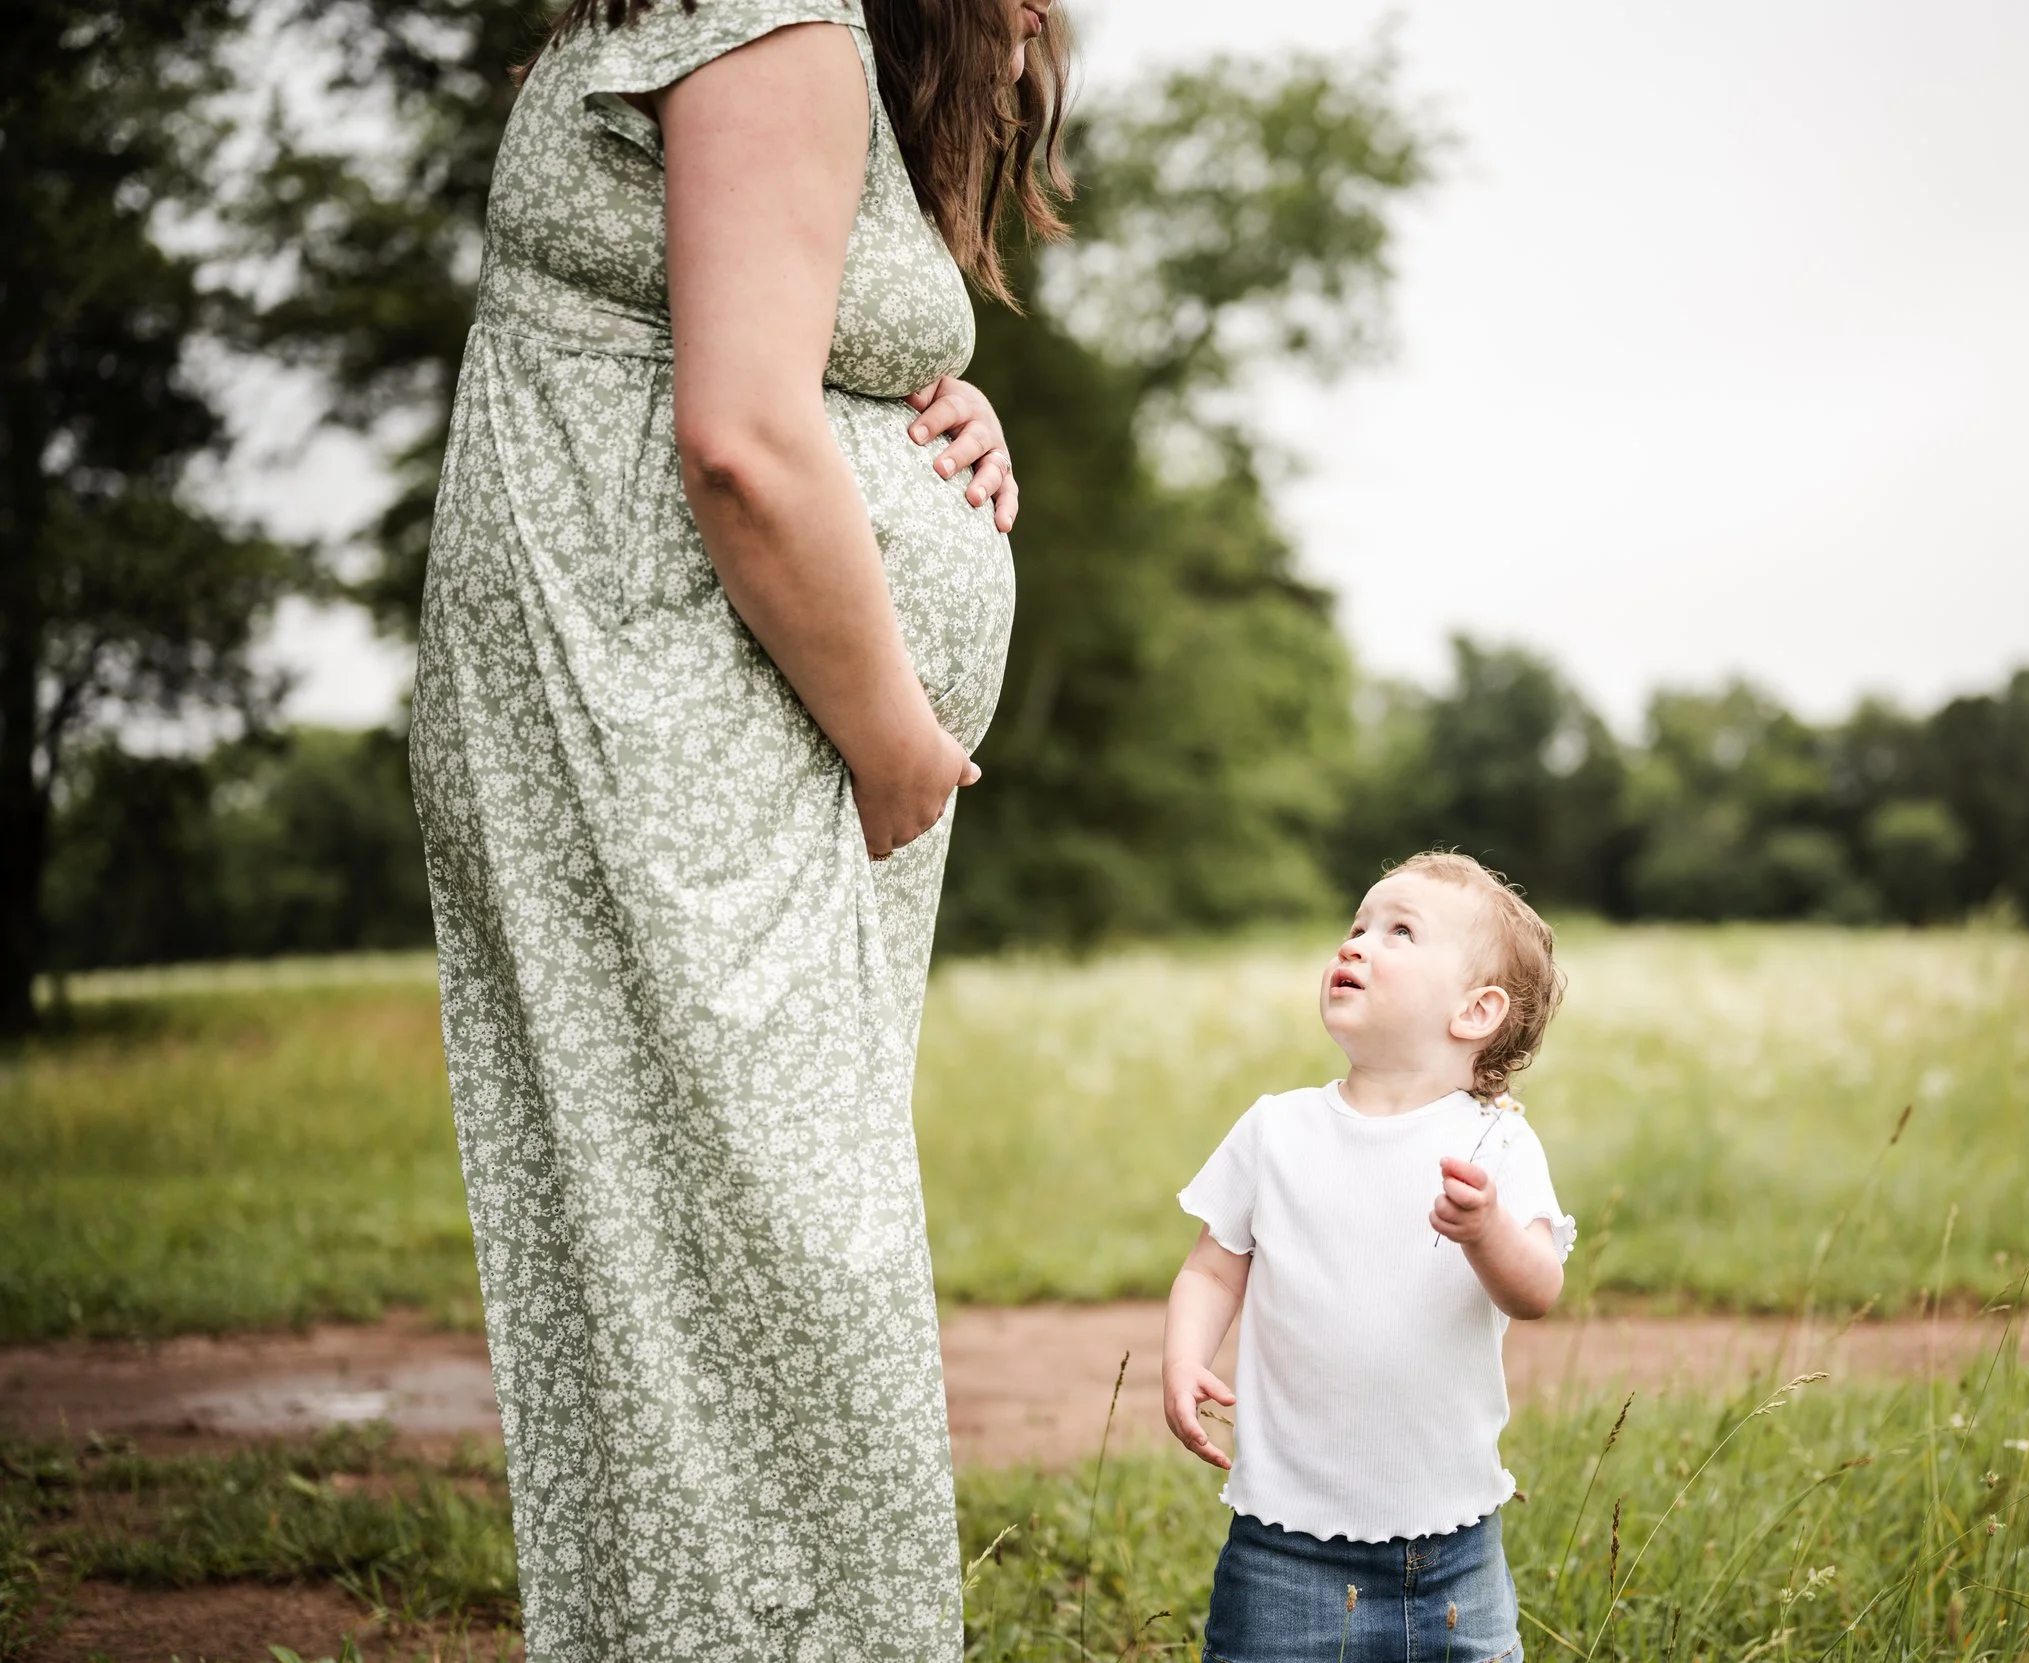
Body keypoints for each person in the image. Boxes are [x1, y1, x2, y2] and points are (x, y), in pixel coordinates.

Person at [405, 0, 1067, 1656]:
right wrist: (897, 737)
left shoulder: (762, 25)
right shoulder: (767, 12)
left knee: (727, 1255)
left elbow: (767, 360)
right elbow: (743, 445)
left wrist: (943, 412)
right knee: (775, 1258)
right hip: (682, 718)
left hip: (700, 721)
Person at [1161, 852, 1575, 1663]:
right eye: (1357, 926)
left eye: (1399, 932)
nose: (1356, 944)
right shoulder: (1276, 1129)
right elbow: (1213, 1266)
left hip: (1457, 1549)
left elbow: (1538, 1289)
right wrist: (1184, 1356)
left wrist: (1486, 1231)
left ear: (1475, 1009)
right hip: (1286, 1548)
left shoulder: (1496, 1141)